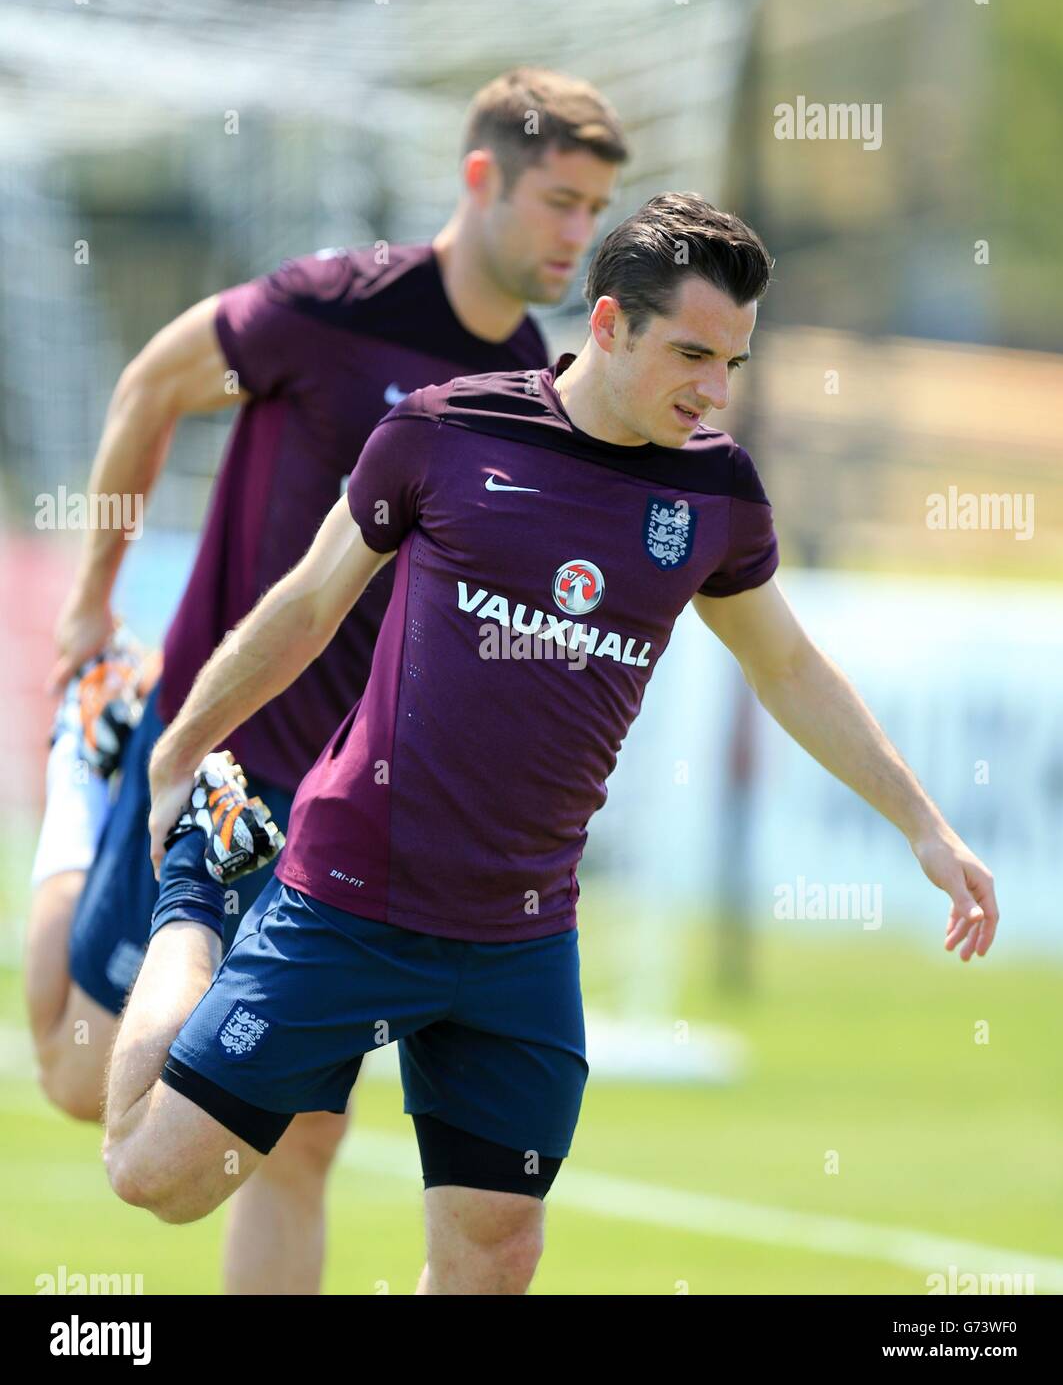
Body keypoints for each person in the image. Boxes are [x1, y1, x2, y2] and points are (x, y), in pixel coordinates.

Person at [102, 192, 999, 1296]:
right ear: (611, 323)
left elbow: (788, 668)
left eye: (732, 362)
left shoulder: (712, 488)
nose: (712, 388)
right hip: (351, 897)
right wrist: (180, 744)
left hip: (521, 937)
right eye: (689, 352)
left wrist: (923, 823)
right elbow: (306, 604)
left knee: (496, 1252)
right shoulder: (443, 430)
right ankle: (197, 886)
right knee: (153, 1176)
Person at [24, 65, 627, 1294]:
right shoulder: (331, 309)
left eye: (594, 208)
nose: (580, 236)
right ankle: (78, 783)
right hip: (213, 756)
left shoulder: (529, 377)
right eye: (560, 203)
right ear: (482, 181)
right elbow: (152, 381)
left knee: (298, 1145)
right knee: (85, 1079)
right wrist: (93, 600)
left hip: (343, 820)